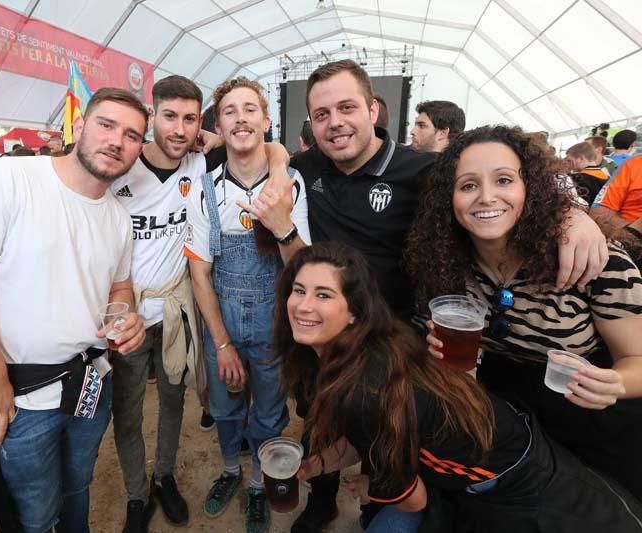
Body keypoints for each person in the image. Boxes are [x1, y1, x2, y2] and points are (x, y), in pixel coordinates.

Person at [257, 59, 610, 533]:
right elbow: (269, 149)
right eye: (321, 114)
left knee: (388, 438)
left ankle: (380, 505)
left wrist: (571, 215)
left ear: (373, 109)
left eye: (346, 108)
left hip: (399, 346)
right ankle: (320, 503)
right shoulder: (310, 166)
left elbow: (491, 195)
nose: (335, 122)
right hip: (327, 328)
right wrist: (280, 164)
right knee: (323, 416)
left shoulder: (421, 171)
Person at [275, 241, 642, 533]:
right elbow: (366, 437)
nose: (303, 306)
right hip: (497, 445)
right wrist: (316, 465)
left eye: (323, 295)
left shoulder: (365, 390)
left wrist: (371, 489)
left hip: (515, 483)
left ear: (354, 311)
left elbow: (413, 501)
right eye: (298, 290)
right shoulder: (360, 350)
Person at [0, 87, 148, 532]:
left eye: (131, 135)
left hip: (92, 384)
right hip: (22, 398)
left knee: (77, 488)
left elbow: (119, 286)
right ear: (81, 126)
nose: (116, 141)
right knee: (33, 512)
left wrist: (126, 317)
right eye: (107, 125)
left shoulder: (119, 216)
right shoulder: (9, 179)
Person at [406, 125, 642, 500]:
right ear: (448, 198)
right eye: (468, 185)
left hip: (591, 426)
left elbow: (637, 359)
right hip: (511, 428)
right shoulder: (446, 263)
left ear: (530, 187)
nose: (486, 197)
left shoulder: (592, 258)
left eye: (503, 180)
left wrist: (616, 383)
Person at [185, 77, 310, 533]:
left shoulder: (290, 181)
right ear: (219, 124)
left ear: (266, 120)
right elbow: (200, 274)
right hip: (224, 322)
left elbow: (301, 268)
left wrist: (280, 225)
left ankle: (259, 481)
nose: (241, 118)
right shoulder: (205, 187)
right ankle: (231, 470)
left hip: (275, 324)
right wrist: (221, 345)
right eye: (231, 111)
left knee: (271, 411)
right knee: (224, 407)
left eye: (250, 109)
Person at [107, 75, 226, 533]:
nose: (179, 129)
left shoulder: (198, 164)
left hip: (176, 310)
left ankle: (165, 477)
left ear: (200, 123)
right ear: (152, 115)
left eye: (190, 119)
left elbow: (270, 150)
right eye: (169, 116)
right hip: (129, 315)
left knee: (174, 398)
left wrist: (211, 138)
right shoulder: (119, 169)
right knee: (129, 410)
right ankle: (137, 495)